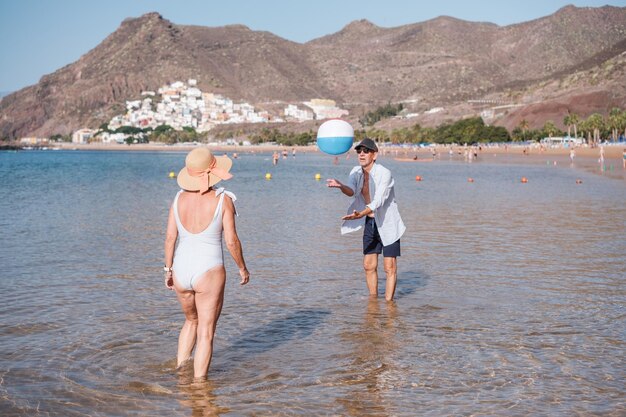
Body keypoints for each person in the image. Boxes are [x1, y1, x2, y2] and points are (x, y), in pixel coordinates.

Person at [164, 147, 250, 379]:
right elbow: (231, 241)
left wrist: (168, 269)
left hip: (181, 270)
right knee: (206, 332)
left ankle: (181, 373)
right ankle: (200, 387)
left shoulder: (177, 198)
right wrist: (242, 267)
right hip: (208, 270)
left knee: (190, 320)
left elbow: (171, 237)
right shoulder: (223, 199)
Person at [327, 138, 406, 301]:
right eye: (359, 151)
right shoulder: (356, 171)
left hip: (388, 223)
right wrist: (341, 186)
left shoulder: (384, 173)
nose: (361, 154)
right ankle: (373, 304)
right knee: (368, 266)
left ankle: (389, 305)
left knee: (389, 267)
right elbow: (352, 191)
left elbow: (378, 200)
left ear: (374, 155)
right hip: (370, 222)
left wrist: (360, 214)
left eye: (366, 151)